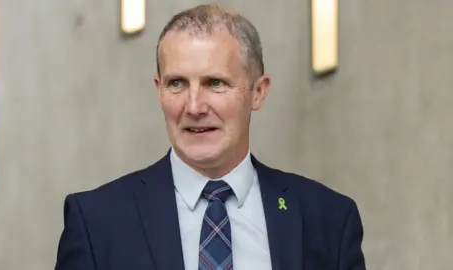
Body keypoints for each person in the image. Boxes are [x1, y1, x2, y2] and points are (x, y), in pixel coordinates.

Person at [55, 4, 366, 270]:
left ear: (258, 92)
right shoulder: (97, 223)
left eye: (215, 83)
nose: (193, 107)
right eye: (176, 83)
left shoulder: (328, 219)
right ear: (158, 90)